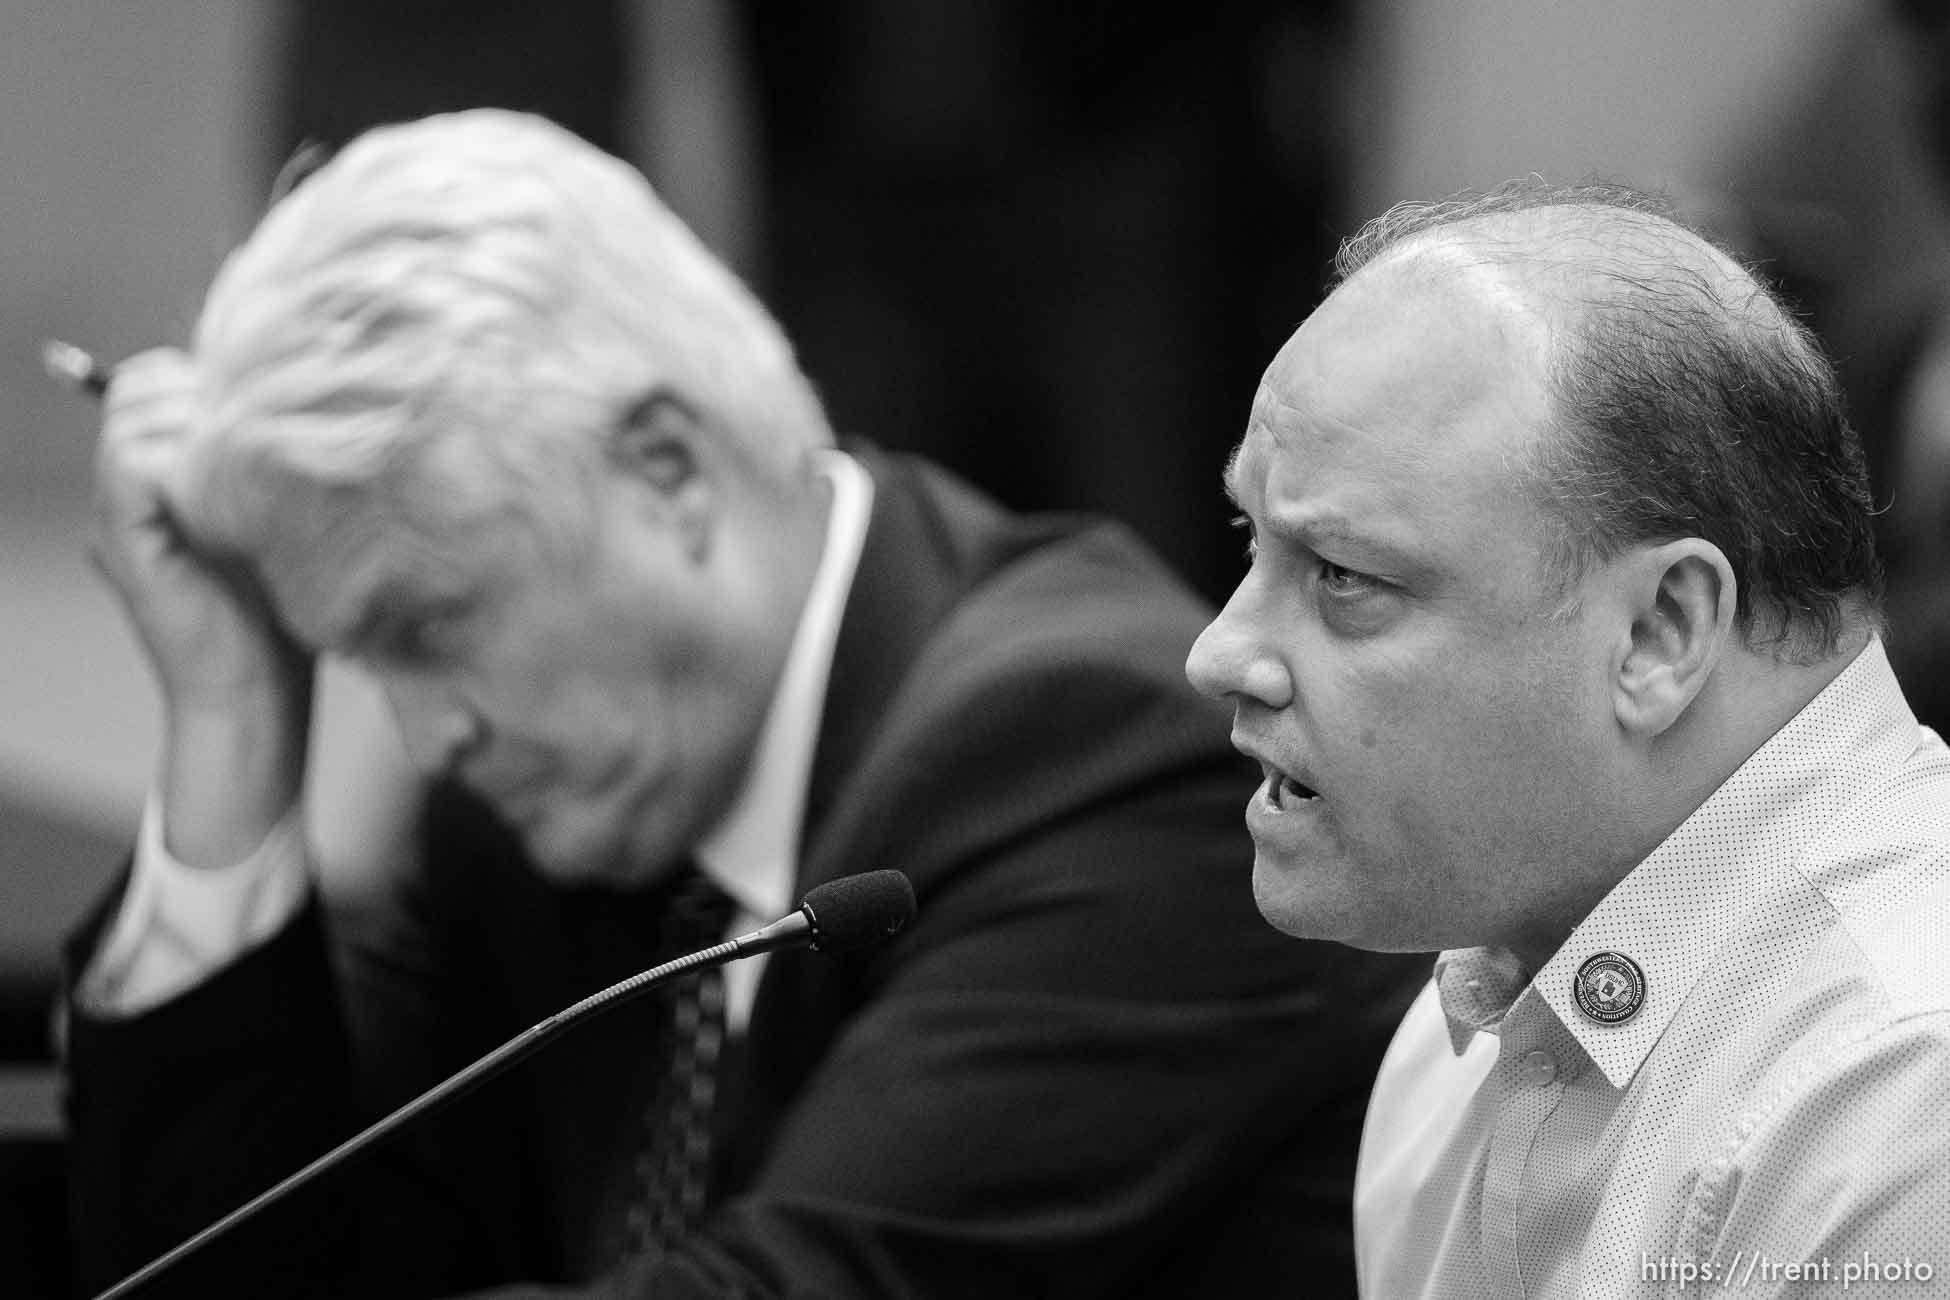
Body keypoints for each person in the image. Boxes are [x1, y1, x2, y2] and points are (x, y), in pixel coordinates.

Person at [62, 109, 1421, 1298]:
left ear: (665, 468)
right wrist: (235, 719)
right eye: (368, 659)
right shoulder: (529, 807)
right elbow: (263, 1264)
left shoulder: (1100, 759)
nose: (430, 735)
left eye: (431, 629)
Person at [1186, 179, 1950, 1297]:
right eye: (1251, 537)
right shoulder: (1471, 1012)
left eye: (1344, 575)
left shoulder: (1899, 1097)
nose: (1218, 653)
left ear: (1660, 630)